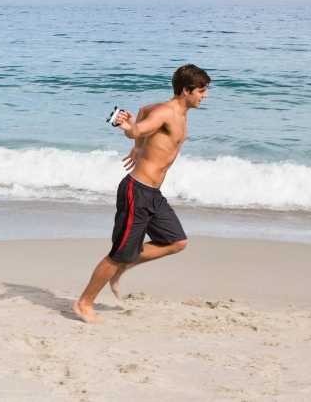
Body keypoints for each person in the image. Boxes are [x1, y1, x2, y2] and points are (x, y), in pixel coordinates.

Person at [73, 64, 211, 324]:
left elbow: (143, 111)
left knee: (177, 241)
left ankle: (124, 266)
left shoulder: (174, 111)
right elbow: (137, 128)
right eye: (201, 91)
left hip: (153, 194)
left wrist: (138, 148)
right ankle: (84, 303)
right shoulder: (167, 113)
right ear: (186, 90)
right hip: (136, 192)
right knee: (118, 253)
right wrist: (131, 131)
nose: (204, 96)